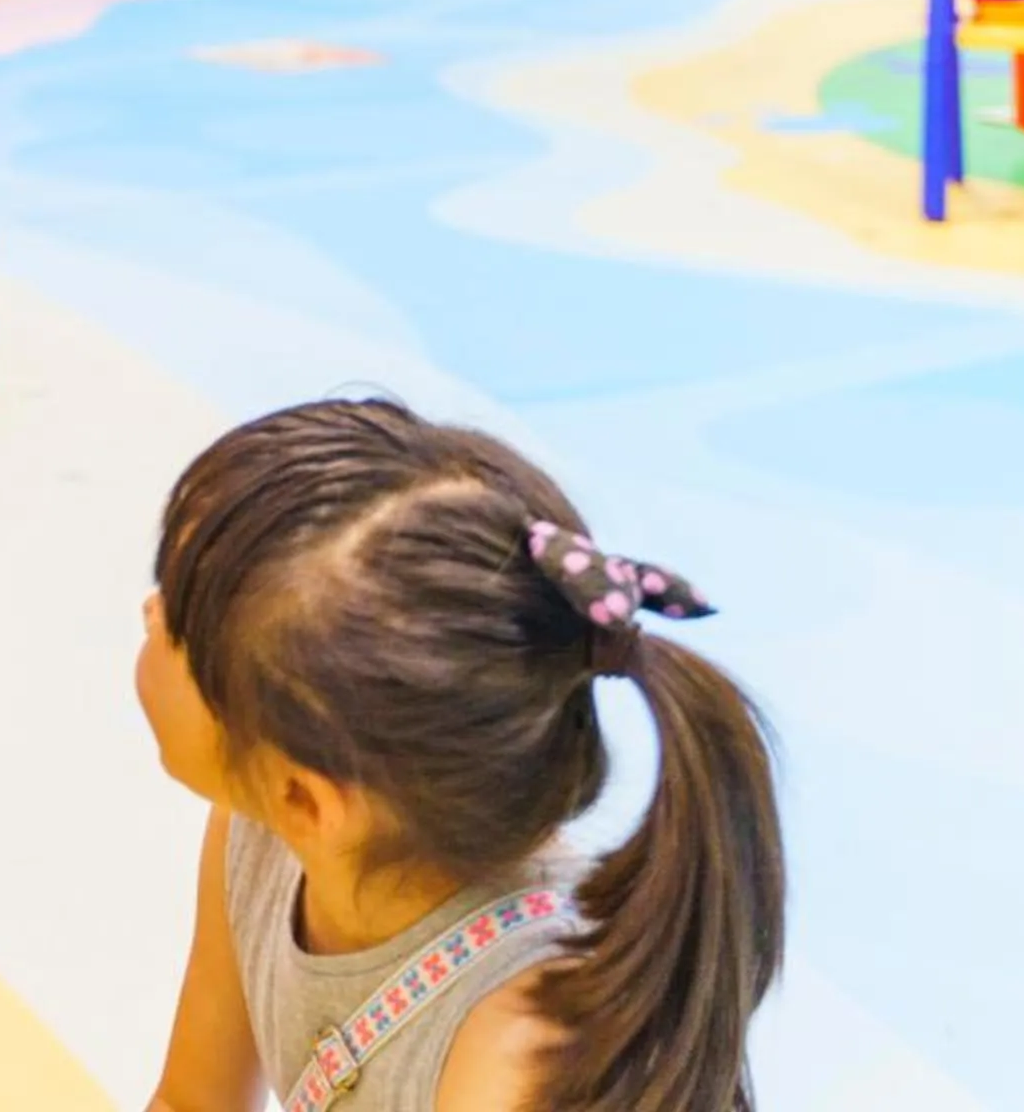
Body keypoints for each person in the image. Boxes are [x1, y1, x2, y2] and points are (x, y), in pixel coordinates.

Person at [137, 400, 784, 1112]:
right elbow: (191, 1103)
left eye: (179, 621)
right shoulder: (262, 829)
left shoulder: (515, 1055)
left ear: (308, 799)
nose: (150, 613)